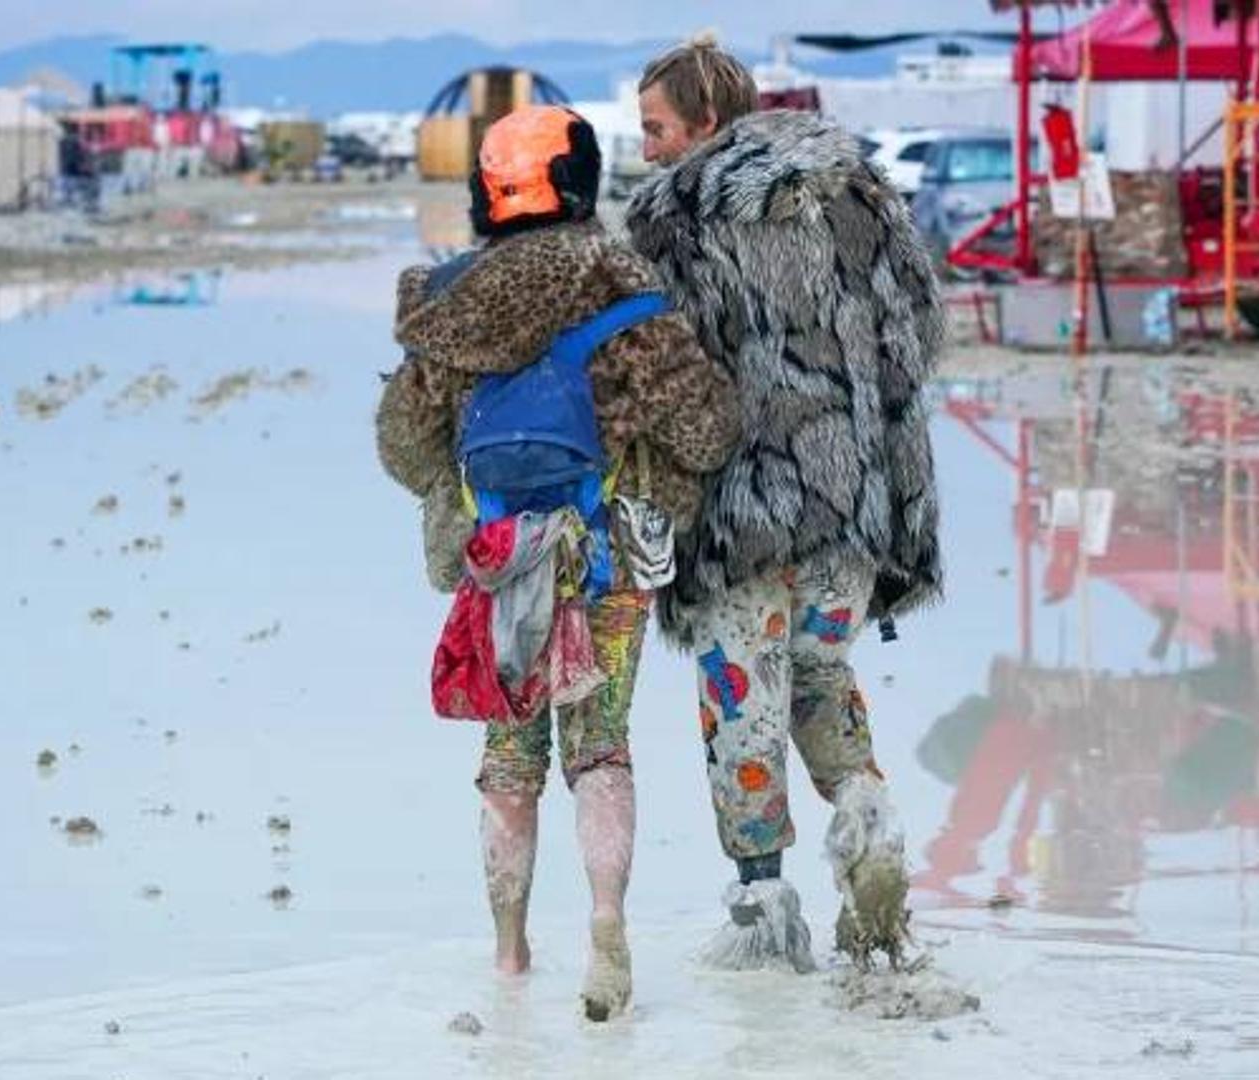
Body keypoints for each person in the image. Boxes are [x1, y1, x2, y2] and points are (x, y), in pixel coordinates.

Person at [377, 105, 739, 1018]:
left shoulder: (446, 300)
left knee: (509, 757)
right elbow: (705, 426)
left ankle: (507, 956)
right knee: (601, 746)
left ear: (486, 190)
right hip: (608, 556)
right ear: (577, 181)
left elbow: (404, 446)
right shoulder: (622, 286)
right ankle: (608, 924)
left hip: (495, 565)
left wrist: (473, 507)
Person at [627, 36, 947, 970]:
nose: (644, 149)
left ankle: (765, 907)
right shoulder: (860, 193)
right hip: (855, 502)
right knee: (821, 678)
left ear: (706, 124)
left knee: (743, 707)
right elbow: (917, 335)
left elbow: (661, 380)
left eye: (655, 129)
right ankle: (868, 821)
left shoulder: (677, 217)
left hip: (741, 512)